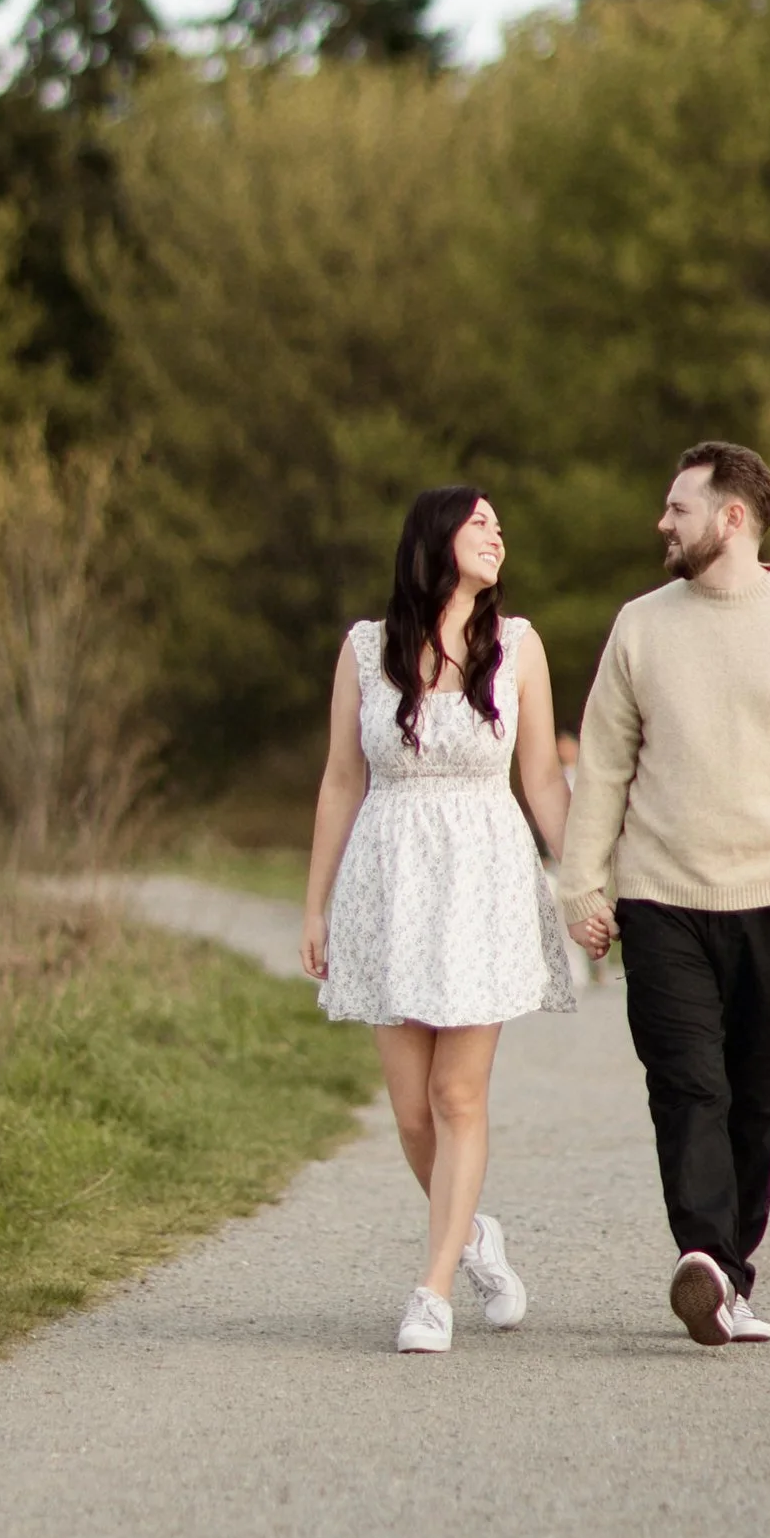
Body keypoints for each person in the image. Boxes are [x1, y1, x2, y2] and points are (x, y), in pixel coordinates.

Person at [557, 441, 770, 1347]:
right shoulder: (640, 627)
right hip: (662, 903)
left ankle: (729, 1275)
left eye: (679, 508)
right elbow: (605, 767)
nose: (662, 522)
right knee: (688, 1085)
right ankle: (702, 1253)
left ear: (732, 517)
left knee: (754, 1100)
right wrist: (583, 885)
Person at [301, 487, 579, 1352]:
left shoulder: (520, 648)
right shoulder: (365, 649)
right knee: (412, 1112)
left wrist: (584, 884)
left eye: (502, 523)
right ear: (435, 537)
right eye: (481, 521)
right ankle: (473, 1238)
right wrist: (314, 903)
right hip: (388, 881)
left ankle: (432, 1291)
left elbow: (539, 781)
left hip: (484, 879)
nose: (499, 534)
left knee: (457, 1094)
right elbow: (342, 779)